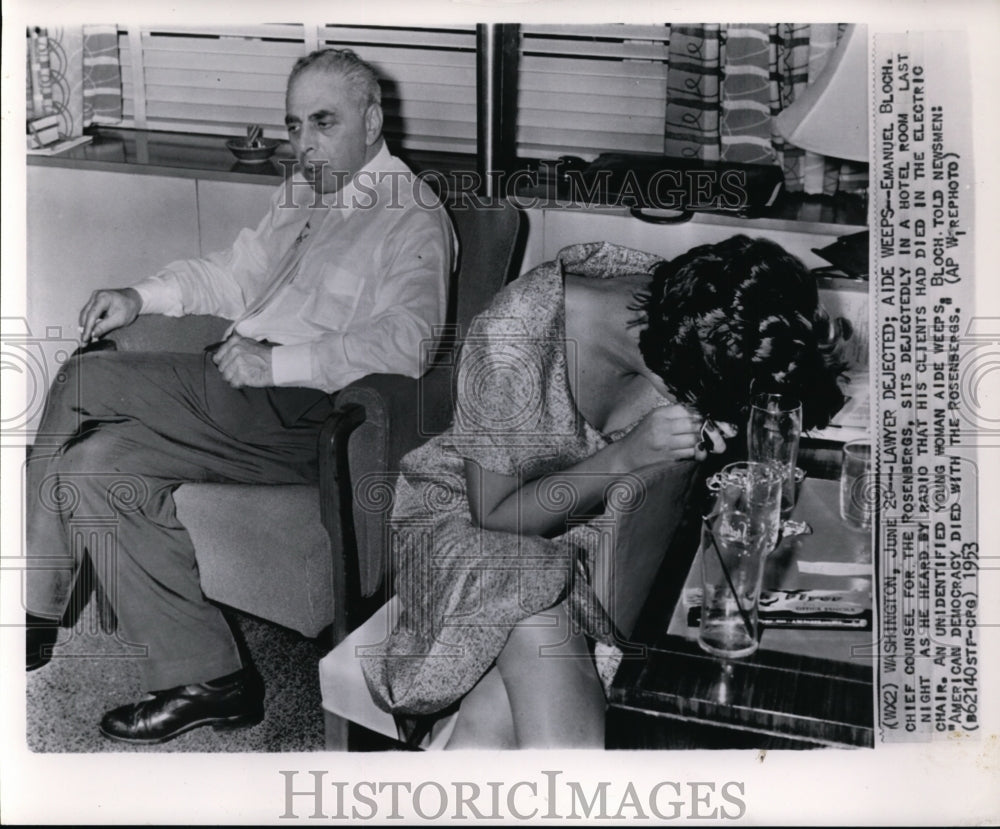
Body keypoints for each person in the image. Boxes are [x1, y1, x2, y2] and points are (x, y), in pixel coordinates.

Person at [24, 48, 454, 744]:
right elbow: (232, 275)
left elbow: (409, 342)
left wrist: (280, 362)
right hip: (236, 397)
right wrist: (142, 295)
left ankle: (31, 608)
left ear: (372, 120)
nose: (305, 144)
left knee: (86, 378)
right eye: (294, 126)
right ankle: (212, 680)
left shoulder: (413, 216)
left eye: (323, 122)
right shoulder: (305, 192)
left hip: (311, 413)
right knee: (94, 466)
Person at [321, 235, 844, 749]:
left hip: (599, 536)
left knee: (494, 720)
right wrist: (626, 456)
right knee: (537, 613)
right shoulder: (517, 337)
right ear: (671, 378)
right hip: (474, 535)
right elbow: (494, 522)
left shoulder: (694, 315)